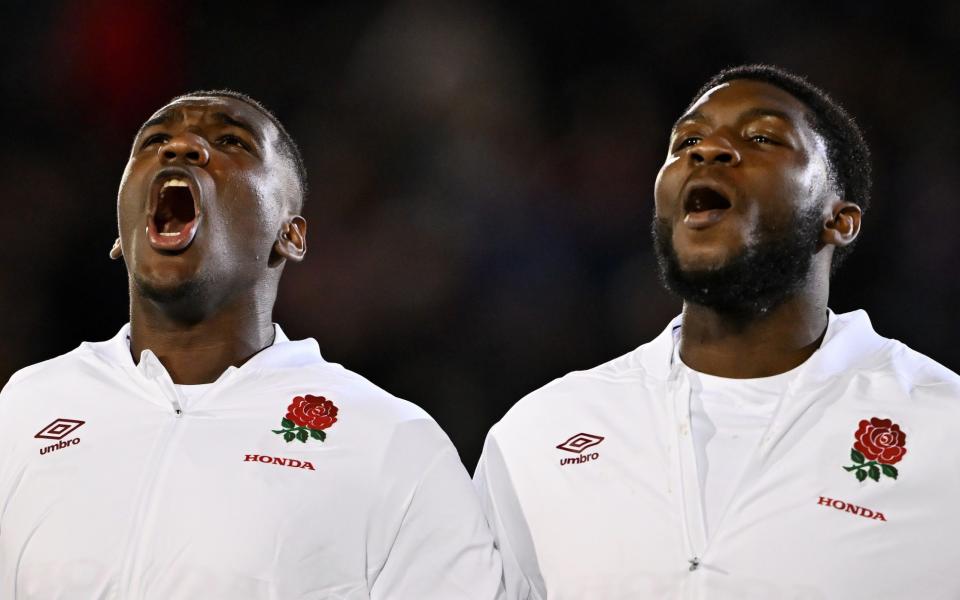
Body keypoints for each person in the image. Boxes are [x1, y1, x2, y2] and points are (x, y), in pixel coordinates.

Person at [473, 64, 960, 599]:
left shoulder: (943, 428)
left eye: (761, 137)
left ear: (838, 219)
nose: (707, 151)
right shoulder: (539, 434)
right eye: (687, 141)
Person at [0, 90, 502, 599]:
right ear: (121, 229)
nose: (182, 148)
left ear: (291, 235)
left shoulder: (390, 441)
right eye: (154, 141)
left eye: (229, 142)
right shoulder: (25, 407)